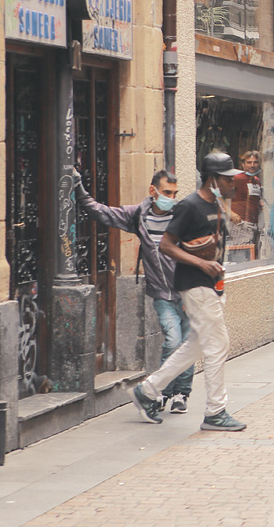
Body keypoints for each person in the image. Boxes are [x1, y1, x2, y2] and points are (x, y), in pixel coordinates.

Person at [131, 152, 246, 431]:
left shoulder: (218, 204)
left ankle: (147, 391)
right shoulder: (189, 206)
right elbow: (167, 245)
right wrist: (202, 263)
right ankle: (215, 411)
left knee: (195, 346)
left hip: (211, 286)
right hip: (195, 285)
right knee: (218, 346)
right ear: (213, 179)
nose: (234, 184)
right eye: (228, 179)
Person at [77, 169, 191, 413]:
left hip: (188, 292)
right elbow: (103, 212)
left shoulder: (182, 214)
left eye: (175, 193)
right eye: (167, 192)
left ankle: (180, 393)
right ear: (153, 191)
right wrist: (79, 191)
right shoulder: (138, 215)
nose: (171, 197)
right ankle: (161, 392)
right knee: (174, 341)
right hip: (161, 292)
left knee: (188, 344)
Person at [228, 150, 263, 261]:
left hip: (254, 224)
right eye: (249, 162)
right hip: (241, 224)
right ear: (243, 164)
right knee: (242, 257)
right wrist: (230, 213)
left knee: (252, 257)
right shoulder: (237, 178)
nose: (252, 165)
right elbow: (218, 195)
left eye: (255, 162)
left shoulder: (257, 180)